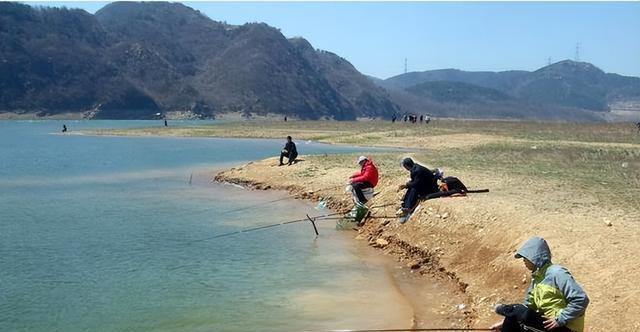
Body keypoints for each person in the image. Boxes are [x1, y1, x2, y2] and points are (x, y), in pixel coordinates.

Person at [491, 237, 589, 332]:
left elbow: (581, 299)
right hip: (549, 325)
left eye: (525, 258)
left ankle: (502, 309)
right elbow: (528, 308)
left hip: (565, 327)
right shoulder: (537, 279)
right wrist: (504, 323)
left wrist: (560, 320)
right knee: (513, 318)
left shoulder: (557, 273)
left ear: (534, 257)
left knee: (516, 310)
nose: (524, 261)